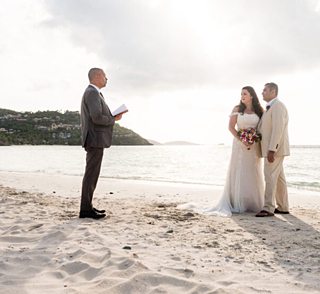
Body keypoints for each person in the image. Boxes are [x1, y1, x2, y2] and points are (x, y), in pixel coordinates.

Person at [178, 86, 264, 217]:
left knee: (253, 171)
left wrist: (254, 138)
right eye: (241, 94)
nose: (242, 96)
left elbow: (262, 128)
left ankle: (253, 203)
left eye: (245, 94)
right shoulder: (237, 109)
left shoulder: (259, 110)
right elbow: (231, 127)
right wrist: (243, 139)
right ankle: (238, 202)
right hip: (239, 145)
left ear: (252, 95)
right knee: (240, 170)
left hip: (253, 146)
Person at [79, 68, 123, 219]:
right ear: (97, 76)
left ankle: (87, 207)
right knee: (91, 174)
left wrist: (112, 116)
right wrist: (113, 119)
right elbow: (97, 118)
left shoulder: (95, 93)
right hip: (94, 139)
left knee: (92, 174)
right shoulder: (92, 93)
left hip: (95, 139)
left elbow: (97, 116)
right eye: (105, 76)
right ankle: (85, 210)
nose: (106, 79)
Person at [256, 83, 290, 217]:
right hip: (273, 149)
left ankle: (268, 207)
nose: (262, 92)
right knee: (279, 178)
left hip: (275, 150)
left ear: (273, 91)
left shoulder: (278, 106)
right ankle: (283, 206)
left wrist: (272, 149)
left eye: (265, 90)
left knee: (269, 176)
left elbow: (278, 129)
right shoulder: (270, 108)